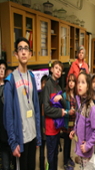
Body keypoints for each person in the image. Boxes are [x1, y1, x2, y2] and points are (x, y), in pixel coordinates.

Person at [3, 37, 41, 170]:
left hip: (32, 135)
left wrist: (38, 135)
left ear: (30, 54)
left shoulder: (31, 76)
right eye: (20, 49)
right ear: (16, 54)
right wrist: (13, 142)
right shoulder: (10, 80)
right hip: (21, 138)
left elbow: (36, 108)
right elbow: (8, 116)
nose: (23, 52)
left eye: (26, 49)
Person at [69, 72, 95, 169]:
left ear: (88, 87)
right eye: (78, 82)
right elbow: (78, 121)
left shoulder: (91, 107)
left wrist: (88, 145)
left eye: (83, 82)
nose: (79, 85)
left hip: (86, 150)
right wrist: (74, 130)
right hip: (79, 147)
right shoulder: (79, 101)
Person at [43, 60, 66, 170]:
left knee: (56, 155)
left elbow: (65, 105)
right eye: (56, 68)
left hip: (57, 128)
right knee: (51, 157)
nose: (58, 71)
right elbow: (46, 109)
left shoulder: (58, 87)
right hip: (50, 128)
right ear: (51, 69)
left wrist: (61, 98)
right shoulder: (48, 85)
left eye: (60, 70)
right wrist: (60, 112)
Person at [62, 73, 77, 170]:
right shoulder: (64, 95)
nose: (71, 83)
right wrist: (68, 112)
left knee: (70, 142)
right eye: (70, 81)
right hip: (66, 123)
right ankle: (65, 162)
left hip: (73, 123)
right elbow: (62, 110)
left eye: (73, 81)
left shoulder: (76, 95)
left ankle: (68, 158)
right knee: (66, 143)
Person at [0, 59, 11, 170]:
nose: (2, 71)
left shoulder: (8, 86)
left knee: (6, 154)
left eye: (3, 69)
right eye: (0, 68)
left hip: (5, 126)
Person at [39, 75, 48, 170]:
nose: (44, 85)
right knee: (42, 148)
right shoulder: (40, 96)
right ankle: (42, 165)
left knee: (47, 148)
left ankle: (45, 166)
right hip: (42, 125)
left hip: (47, 126)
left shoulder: (47, 96)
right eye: (43, 83)